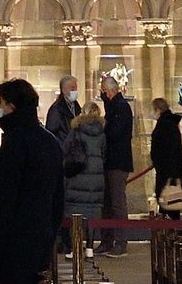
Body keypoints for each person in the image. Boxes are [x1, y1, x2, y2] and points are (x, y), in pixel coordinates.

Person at [0, 77, 65, 284]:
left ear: (11, 107)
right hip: (40, 242)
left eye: (1, 103)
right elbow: (58, 199)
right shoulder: (51, 142)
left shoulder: (14, 143)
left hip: (12, 246)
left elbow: (3, 202)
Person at [62, 97, 107, 253]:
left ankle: (76, 247)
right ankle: (89, 247)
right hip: (96, 177)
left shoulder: (77, 128)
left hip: (78, 175)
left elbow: (66, 148)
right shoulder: (101, 132)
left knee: (76, 212)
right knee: (93, 212)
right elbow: (104, 153)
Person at [98, 75, 134, 256]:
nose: (103, 95)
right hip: (109, 162)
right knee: (107, 204)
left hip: (118, 162)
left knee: (118, 204)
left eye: (104, 92)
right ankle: (107, 240)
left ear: (111, 90)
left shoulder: (121, 108)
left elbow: (114, 133)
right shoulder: (113, 108)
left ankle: (120, 242)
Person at [149, 98, 182, 213]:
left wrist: (159, 163)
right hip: (170, 171)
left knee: (169, 206)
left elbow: (165, 149)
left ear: (158, 109)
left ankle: (170, 229)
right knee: (170, 206)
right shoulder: (169, 123)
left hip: (167, 172)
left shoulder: (165, 124)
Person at [45, 76, 80, 143]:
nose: (75, 92)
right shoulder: (56, 109)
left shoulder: (76, 107)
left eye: (76, 89)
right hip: (63, 148)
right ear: (64, 90)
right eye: (72, 89)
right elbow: (50, 132)